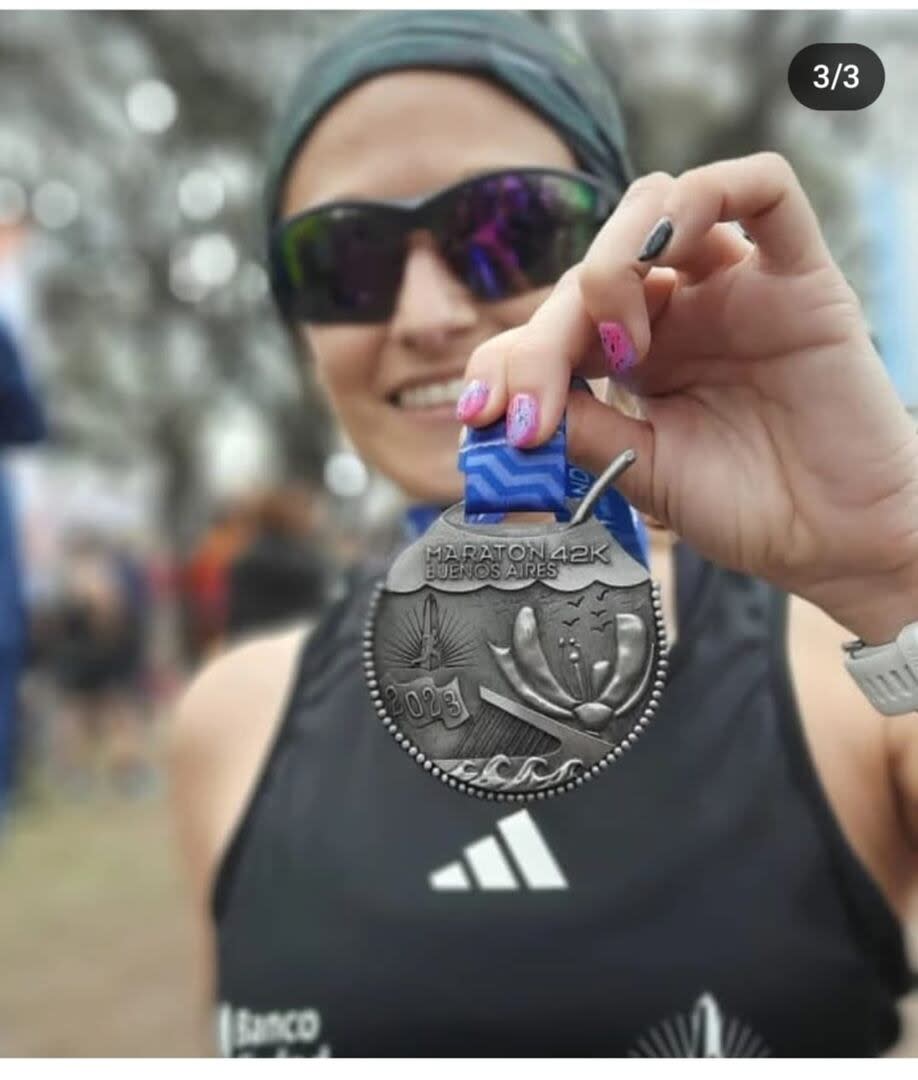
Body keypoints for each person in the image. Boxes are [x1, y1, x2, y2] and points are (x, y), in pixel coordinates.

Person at [170, 12, 918, 1057]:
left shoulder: (854, 670)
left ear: (622, 255)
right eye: (344, 258)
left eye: (507, 226)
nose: (426, 314)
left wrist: (891, 562)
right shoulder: (232, 723)